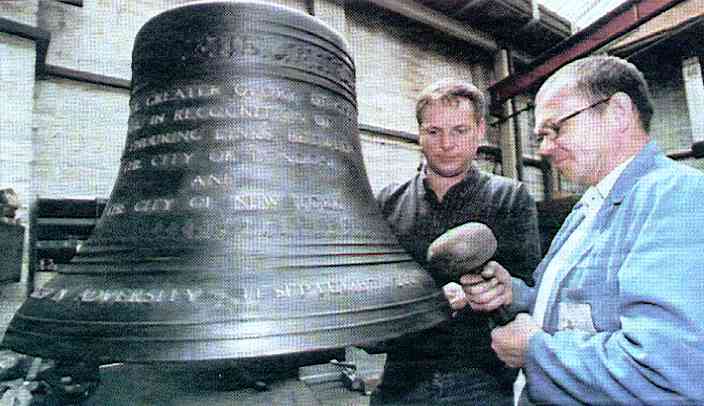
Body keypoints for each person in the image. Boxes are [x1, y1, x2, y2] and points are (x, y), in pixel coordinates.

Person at [459, 55, 704, 405]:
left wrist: (535, 352)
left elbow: (667, 371)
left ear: (618, 112)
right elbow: (578, 312)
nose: (543, 149)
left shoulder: (678, 198)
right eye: (540, 136)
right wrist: (512, 293)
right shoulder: (589, 206)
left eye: (555, 129)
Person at [370, 79, 541, 405]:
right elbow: (376, 290)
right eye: (433, 131)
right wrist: (433, 300)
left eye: (460, 131)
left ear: (480, 132)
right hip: (403, 378)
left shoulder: (510, 198)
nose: (446, 143)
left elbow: (530, 292)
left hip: (483, 379)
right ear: (419, 134)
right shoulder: (388, 202)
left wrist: (494, 291)